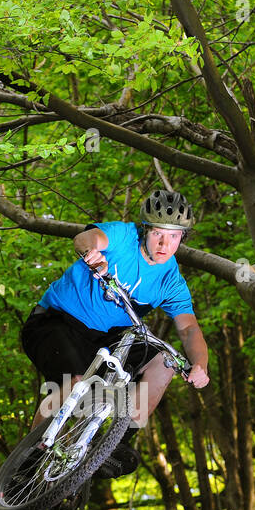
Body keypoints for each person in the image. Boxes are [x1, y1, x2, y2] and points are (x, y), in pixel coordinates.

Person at [20, 189, 210, 479]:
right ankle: (29, 461)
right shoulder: (123, 236)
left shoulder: (171, 282)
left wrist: (200, 365)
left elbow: (189, 328)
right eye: (158, 233)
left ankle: (113, 446)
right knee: (73, 381)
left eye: (174, 236)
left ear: (183, 238)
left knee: (164, 363)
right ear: (145, 230)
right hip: (55, 322)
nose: (164, 244)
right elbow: (87, 238)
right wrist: (92, 254)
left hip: (104, 341)